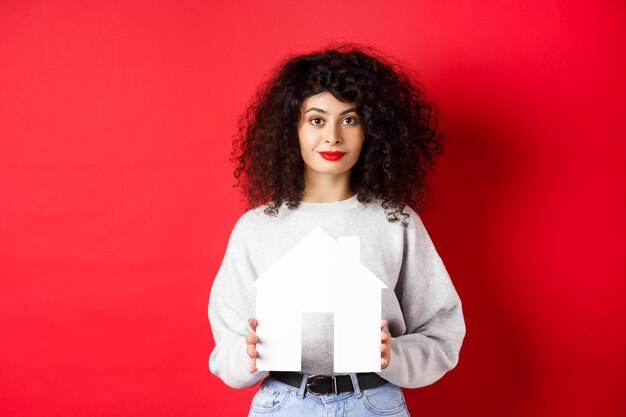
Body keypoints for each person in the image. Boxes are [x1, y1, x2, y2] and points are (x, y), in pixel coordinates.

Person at [208, 43, 466, 417]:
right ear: (291, 128)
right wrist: (248, 354)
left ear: (371, 130)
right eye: (316, 119)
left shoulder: (396, 222)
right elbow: (225, 347)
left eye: (349, 119)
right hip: (282, 403)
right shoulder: (256, 228)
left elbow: (442, 333)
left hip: (374, 402)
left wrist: (394, 354)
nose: (332, 136)